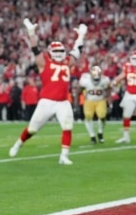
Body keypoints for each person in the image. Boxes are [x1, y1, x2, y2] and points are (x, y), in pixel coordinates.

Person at [8, 18, 87, 165]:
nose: (58, 53)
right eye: (56, 51)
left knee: (68, 126)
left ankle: (64, 156)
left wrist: (81, 36)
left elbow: (77, 51)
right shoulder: (44, 62)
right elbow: (35, 49)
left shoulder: (67, 62)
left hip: (63, 102)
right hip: (47, 102)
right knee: (32, 129)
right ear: (50, 52)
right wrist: (31, 33)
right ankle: (18, 143)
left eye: (60, 51)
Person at [79, 65, 111, 144]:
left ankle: (100, 132)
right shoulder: (85, 79)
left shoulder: (105, 80)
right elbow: (80, 89)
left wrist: (110, 102)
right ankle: (92, 136)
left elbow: (108, 90)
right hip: (89, 101)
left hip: (100, 100)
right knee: (88, 116)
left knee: (102, 116)